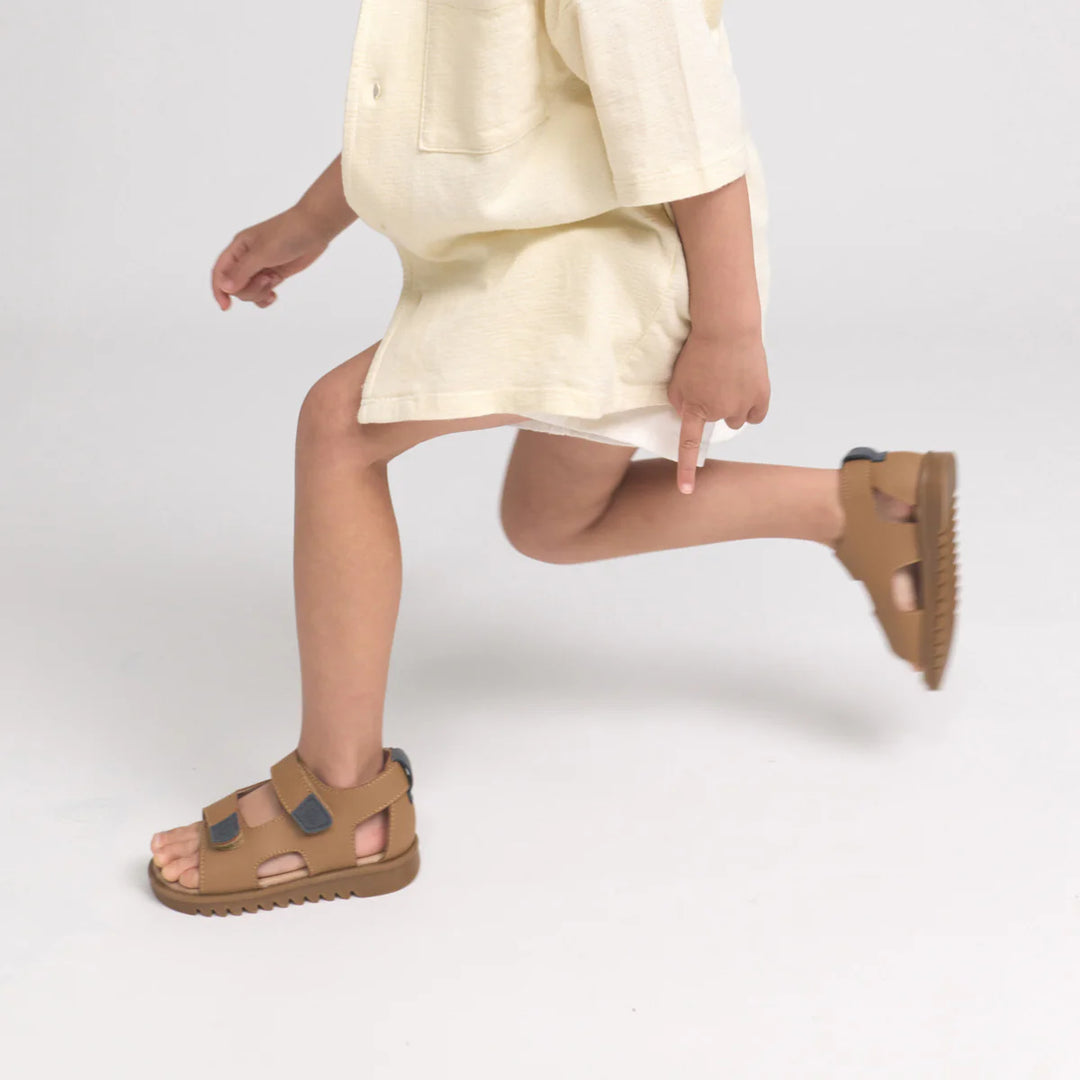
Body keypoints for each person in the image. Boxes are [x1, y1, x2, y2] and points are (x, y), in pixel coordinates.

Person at [147, 0, 959, 916]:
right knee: (549, 523)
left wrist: (730, 329)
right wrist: (310, 219)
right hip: (543, 249)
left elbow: (685, 116)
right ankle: (861, 509)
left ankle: (345, 800)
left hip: (615, 256)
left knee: (338, 429)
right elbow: (438, 100)